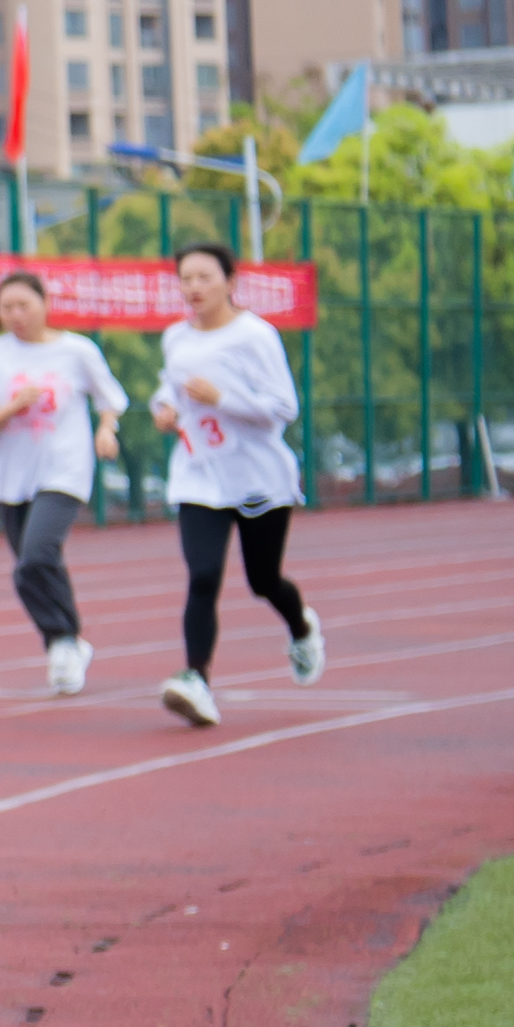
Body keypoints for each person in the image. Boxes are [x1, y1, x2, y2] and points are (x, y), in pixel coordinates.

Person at [153, 237, 322, 726]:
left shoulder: (255, 336)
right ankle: (195, 679)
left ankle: (301, 626)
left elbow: (283, 408)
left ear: (230, 282)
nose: (194, 287)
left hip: (258, 477)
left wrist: (222, 397)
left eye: (205, 276)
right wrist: (163, 408)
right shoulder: (176, 337)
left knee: (263, 579)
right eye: (186, 278)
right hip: (199, 476)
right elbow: (170, 386)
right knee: (203, 576)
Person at [0, 270, 128, 694]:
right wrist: (11, 407)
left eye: (24, 305)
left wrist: (106, 429)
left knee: (37, 553)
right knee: (34, 567)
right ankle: (65, 643)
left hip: (65, 469)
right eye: (6, 307)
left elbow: (110, 400)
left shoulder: (76, 351)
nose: (16, 315)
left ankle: (64, 638)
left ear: (45, 304)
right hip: (13, 477)